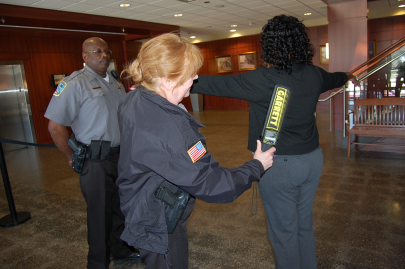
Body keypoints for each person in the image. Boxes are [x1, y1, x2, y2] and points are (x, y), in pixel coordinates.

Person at [191, 15, 360, 269]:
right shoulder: (314, 74)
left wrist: (166, 81)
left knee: (283, 234)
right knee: (303, 224)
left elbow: (215, 84)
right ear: (302, 43)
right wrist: (349, 74)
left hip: (277, 166)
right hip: (312, 160)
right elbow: (336, 77)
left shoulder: (263, 79)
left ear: (269, 45)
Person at [116, 33, 276, 269]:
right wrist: (257, 166)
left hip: (140, 206)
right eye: (190, 73)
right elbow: (215, 184)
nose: (196, 77)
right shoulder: (172, 129)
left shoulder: (133, 99)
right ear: (168, 80)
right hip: (158, 220)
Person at [44, 37, 140, 269]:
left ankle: (121, 250)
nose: (103, 55)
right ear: (85, 56)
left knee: (120, 206)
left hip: (120, 157)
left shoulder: (115, 83)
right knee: (99, 214)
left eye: (106, 51)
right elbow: (55, 127)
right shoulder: (73, 83)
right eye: (97, 51)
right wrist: (70, 156)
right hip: (94, 161)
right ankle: (97, 262)